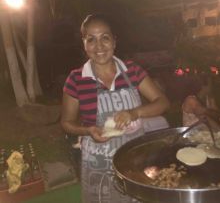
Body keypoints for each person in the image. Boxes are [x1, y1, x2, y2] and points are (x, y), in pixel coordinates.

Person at [60, 14, 170, 203]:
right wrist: (87, 130)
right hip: (98, 167)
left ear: (114, 41)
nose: (99, 46)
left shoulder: (132, 71)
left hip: (135, 162)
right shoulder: (76, 79)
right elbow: (66, 123)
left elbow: (163, 102)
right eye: (91, 39)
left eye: (105, 37)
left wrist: (134, 113)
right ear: (84, 44)